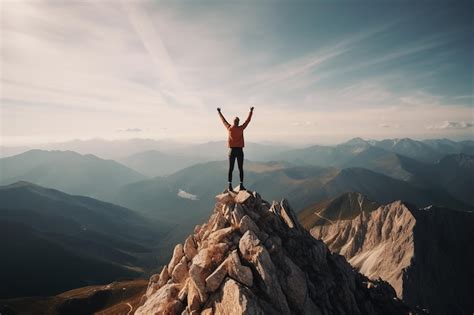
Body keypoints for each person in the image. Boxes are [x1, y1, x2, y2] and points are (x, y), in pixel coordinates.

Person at [217, 106, 254, 192]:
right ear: (238, 122)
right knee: (240, 168)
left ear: (233, 122)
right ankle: (241, 185)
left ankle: (230, 185)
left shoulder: (229, 128)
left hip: (232, 151)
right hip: (240, 151)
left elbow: (223, 120)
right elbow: (248, 121)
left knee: (231, 168)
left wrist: (219, 112)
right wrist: (251, 111)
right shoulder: (241, 128)